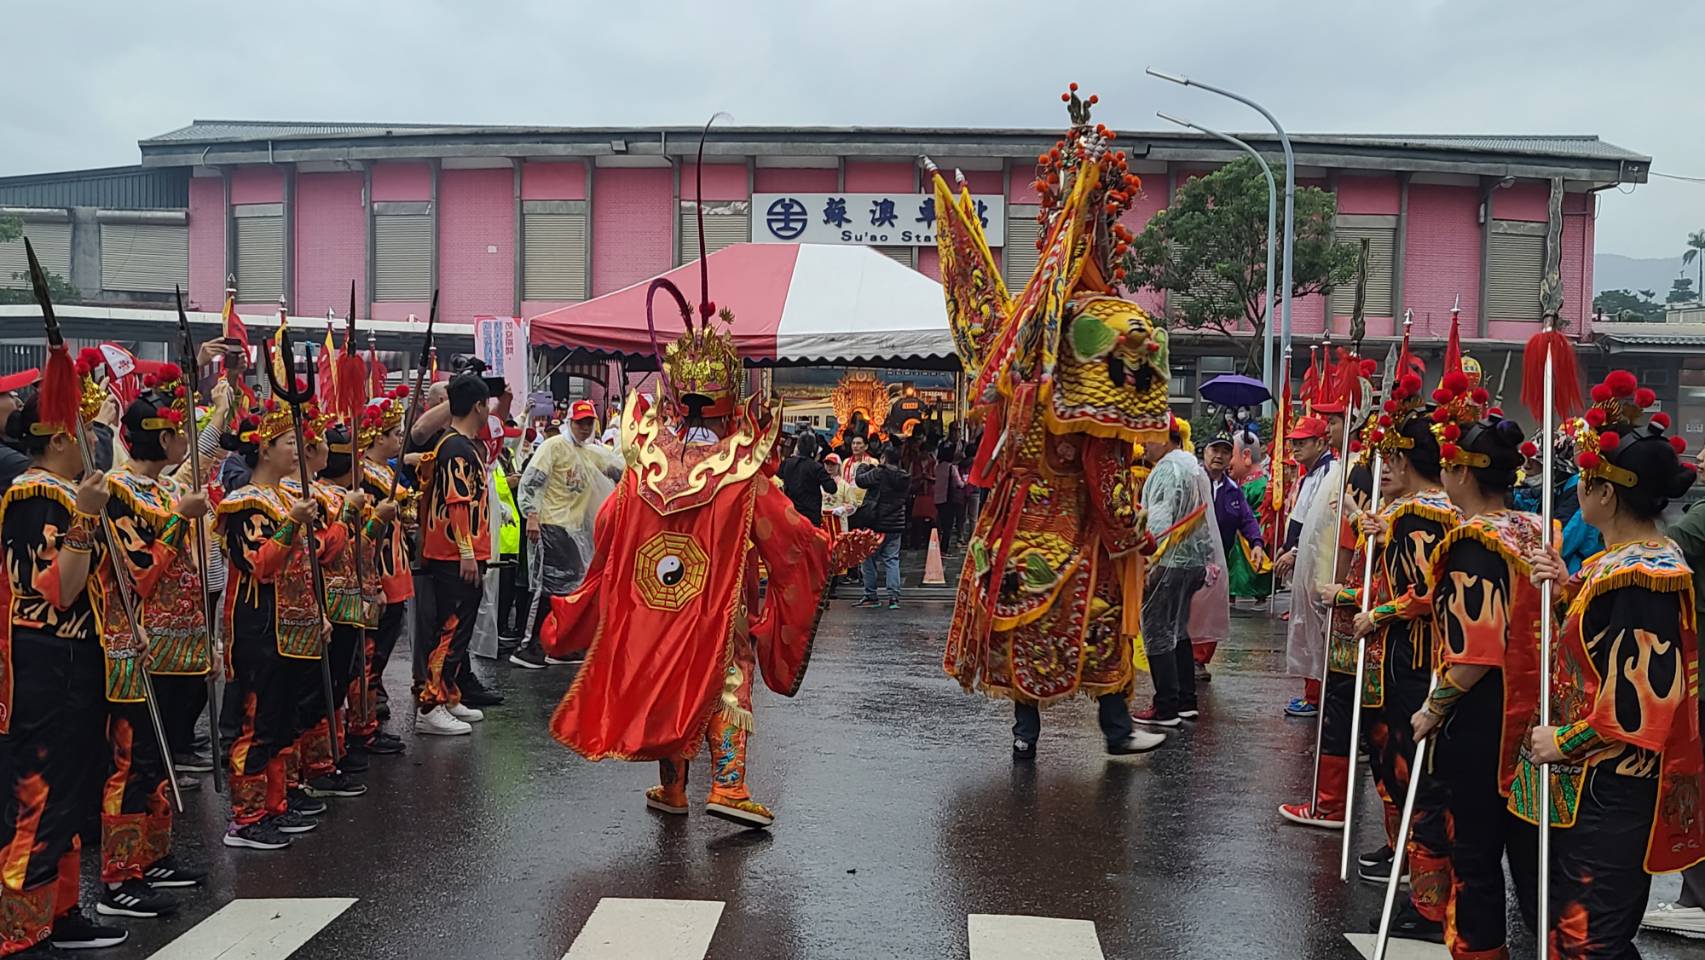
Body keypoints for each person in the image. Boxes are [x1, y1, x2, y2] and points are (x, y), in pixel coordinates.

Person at [541, 253, 878, 830]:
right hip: (720, 606)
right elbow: (787, 536)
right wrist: (827, 551)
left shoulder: (646, 462)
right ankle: (728, 784)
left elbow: (607, 528)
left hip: (655, 606)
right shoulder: (739, 469)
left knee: (671, 681)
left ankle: (674, 789)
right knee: (730, 677)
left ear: (672, 397)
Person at [932, 89, 1168, 761]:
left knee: (1020, 618)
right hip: (1073, 518)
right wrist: (1127, 530)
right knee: (1093, 621)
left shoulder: (1017, 336)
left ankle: (1025, 733)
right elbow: (1103, 460)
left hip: (1011, 515)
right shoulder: (1105, 328)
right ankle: (1116, 731)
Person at [1519, 370, 1705, 959]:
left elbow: (1642, 706)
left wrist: (1564, 741)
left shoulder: (1645, 575)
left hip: (1618, 782)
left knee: (1590, 938)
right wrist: (1562, 591)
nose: (1576, 487)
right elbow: (1598, 642)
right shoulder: (1626, 561)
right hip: (1597, 781)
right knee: (1573, 930)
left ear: (1606, 494)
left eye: (1583, 478)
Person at [0, 354, 133, 953]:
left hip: (78, 656)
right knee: (40, 791)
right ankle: (20, 930)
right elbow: (60, 587)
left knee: (73, 789)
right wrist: (84, 519)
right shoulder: (35, 494)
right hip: (46, 659)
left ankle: (60, 910)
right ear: (60, 438)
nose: (95, 446)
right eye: (87, 433)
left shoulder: (68, 492)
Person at [1402, 386, 1538, 954]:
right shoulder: (1532, 529)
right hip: (1532, 713)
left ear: (1460, 473)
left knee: (1476, 857)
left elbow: (1474, 652)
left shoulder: (1473, 544)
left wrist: (1432, 708)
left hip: (1484, 719)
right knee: (1529, 858)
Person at [95, 368, 212, 919]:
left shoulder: (167, 487)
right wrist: (176, 525)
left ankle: (153, 854)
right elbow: (135, 571)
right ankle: (119, 876)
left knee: (160, 759)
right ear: (163, 438)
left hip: (181, 646)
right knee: (133, 760)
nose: (186, 439)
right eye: (178, 432)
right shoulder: (118, 492)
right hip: (136, 645)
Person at [216, 399, 339, 851]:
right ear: (264, 449)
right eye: (289, 441)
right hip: (258, 626)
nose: (297, 449)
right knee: (257, 721)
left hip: (293, 623)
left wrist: (319, 613)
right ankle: (245, 818)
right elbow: (259, 565)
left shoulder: (290, 496)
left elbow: (308, 565)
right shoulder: (243, 503)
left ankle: (276, 802)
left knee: (282, 718)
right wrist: (290, 524)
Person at [509, 400, 622, 669]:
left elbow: (619, 470)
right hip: (549, 525)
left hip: (572, 531)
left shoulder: (591, 452)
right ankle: (528, 647)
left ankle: (557, 645)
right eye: (579, 422)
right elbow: (532, 481)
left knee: (569, 591)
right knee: (544, 590)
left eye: (588, 423)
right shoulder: (553, 446)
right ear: (569, 422)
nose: (584, 428)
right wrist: (532, 517)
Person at [412, 371, 493, 736]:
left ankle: (449, 694)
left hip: (460, 552)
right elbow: (457, 503)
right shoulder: (457, 448)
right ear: (479, 405)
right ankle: (431, 703)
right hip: (454, 554)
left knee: (458, 630)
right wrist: (466, 553)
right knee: (449, 630)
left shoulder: (456, 444)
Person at [1132, 417, 1226, 729]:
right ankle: (1186, 701)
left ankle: (1166, 707)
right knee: (1179, 630)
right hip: (1193, 564)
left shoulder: (1165, 471)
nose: (1143, 443)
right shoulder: (1192, 465)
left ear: (1165, 436)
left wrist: (1147, 560)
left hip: (1168, 562)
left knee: (1158, 631)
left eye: (1147, 436)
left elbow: (1158, 524)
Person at [1647, 445, 1705, 938]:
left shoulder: (1698, 520)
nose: (1701, 459)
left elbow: (1663, 548)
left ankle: (1699, 899)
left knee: (1694, 781)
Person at [352, 388, 411, 756]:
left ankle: (367, 719)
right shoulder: (367, 478)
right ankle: (363, 725)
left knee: (380, 653)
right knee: (370, 655)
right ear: (377, 437)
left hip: (396, 568)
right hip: (382, 572)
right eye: (394, 434)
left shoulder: (380, 473)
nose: (399, 439)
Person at [1277, 413, 1344, 719]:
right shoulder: (1312, 473)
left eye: (1302, 442)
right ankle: (1313, 692)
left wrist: (1294, 550)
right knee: (1308, 627)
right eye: (1294, 442)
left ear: (1320, 442)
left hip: (1318, 559)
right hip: (1305, 556)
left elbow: (1320, 524)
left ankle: (1317, 695)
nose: (1295, 448)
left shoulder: (1331, 471)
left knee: (1317, 628)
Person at [1204, 430, 1266, 645]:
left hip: (1219, 562)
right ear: (1205, 452)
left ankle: (1199, 660)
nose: (1219, 456)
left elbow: (1247, 519)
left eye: (1225, 452)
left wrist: (1256, 543)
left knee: (1211, 616)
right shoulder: (1193, 481)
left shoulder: (1233, 490)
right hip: (1192, 560)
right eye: (1215, 450)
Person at [854, 445, 910, 609]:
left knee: (868, 559)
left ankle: (871, 595)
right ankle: (893, 597)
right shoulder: (904, 477)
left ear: (884, 458)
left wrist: (862, 466)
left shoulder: (879, 473)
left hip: (875, 523)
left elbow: (860, 481)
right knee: (892, 560)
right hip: (895, 525)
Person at [779, 429, 835, 528]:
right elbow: (832, 488)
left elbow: (778, 476)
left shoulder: (787, 463)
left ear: (798, 447)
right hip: (811, 515)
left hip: (790, 512)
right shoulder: (816, 467)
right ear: (814, 448)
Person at [934, 441, 966, 554]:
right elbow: (959, 483)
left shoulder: (938, 467)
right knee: (948, 526)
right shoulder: (952, 468)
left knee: (940, 524)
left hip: (937, 498)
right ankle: (944, 549)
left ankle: (937, 546)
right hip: (949, 499)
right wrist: (965, 482)